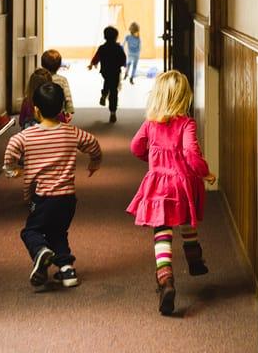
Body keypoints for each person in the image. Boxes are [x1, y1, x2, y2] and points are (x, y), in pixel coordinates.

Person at [126, 70, 217, 315]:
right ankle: (195, 259)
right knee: (185, 218)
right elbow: (191, 154)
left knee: (162, 231)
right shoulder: (186, 123)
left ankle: (165, 279)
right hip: (182, 183)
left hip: (158, 183)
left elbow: (135, 147)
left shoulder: (150, 124)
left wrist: (152, 160)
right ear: (184, 97)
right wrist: (205, 172)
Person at [4, 82, 102, 289]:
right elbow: (93, 143)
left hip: (42, 198)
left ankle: (40, 252)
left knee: (30, 232)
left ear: (36, 110)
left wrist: (12, 169)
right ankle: (67, 270)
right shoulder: (71, 132)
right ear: (61, 109)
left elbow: (11, 149)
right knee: (58, 233)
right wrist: (95, 161)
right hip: (67, 198)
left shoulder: (26, 136)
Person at [87, 26, 126, 123]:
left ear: (105, 37)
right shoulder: (118, 48)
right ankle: (113, 112)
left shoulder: (102, 48)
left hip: (105, 71)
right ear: (116, 37)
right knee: (114, 90)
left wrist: (92, 64)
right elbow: (123, 59)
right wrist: (123, 65)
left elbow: (96, 57)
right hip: (115, 71)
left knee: (107, 82)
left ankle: (104, 94)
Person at [41, 49, 75, 116]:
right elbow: (67, 96)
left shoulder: (39, 78)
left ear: (42, 65)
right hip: (58, 113)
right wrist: (69, 110)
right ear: (59, 66)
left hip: (41, 112)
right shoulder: (62, 80)